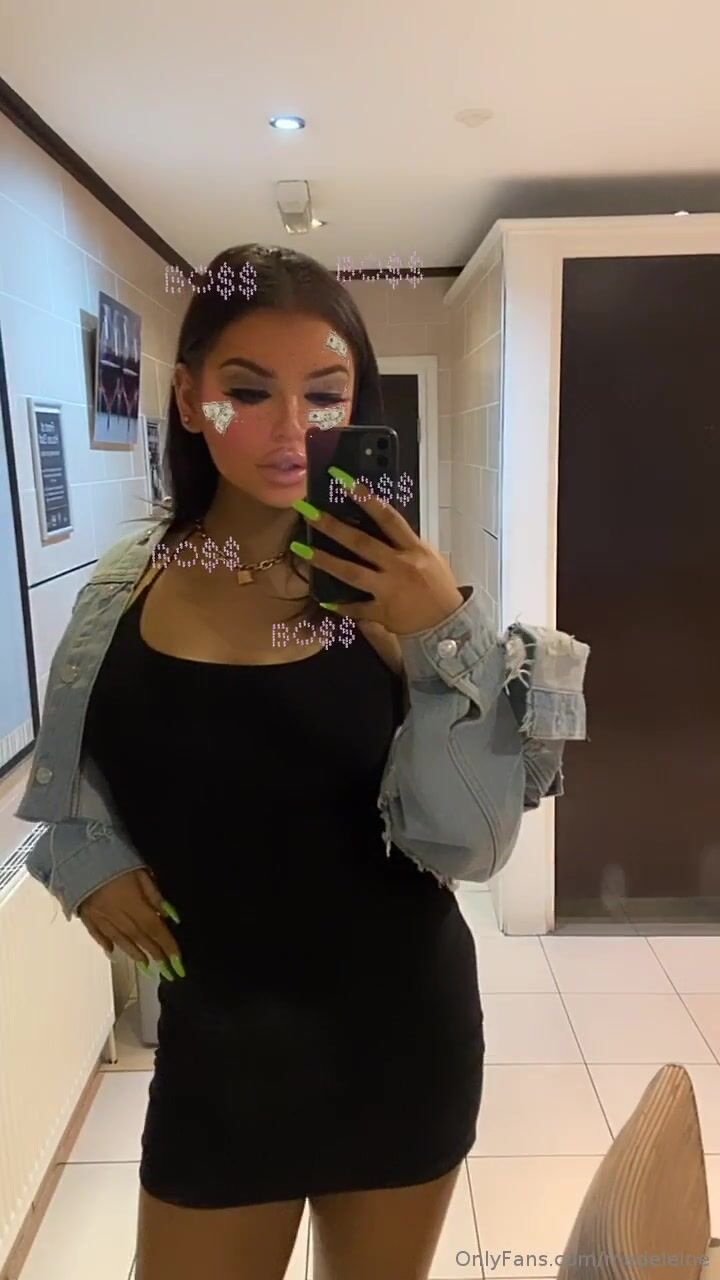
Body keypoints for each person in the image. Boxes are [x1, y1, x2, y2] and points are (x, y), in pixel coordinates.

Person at [15, 244, 589, 1280]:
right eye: (247, 391)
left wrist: (440, 633)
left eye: (324, 395)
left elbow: (474, 845)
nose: (292, 429)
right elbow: (79, 759)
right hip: (216, 1050)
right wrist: (87, 857)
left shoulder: (400, 592)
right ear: (188, 398)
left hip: (399, 1043)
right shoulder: (122, 589)